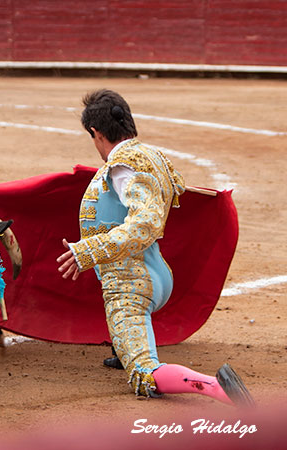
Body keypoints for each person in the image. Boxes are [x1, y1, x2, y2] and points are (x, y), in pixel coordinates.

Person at [56, 89, 254, 406]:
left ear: (96, 133)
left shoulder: (121, 167)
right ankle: (123, 348)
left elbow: (144, 223)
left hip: (131, 286)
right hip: (157, 273)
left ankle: (216, 386)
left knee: (144, 375)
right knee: (129, 331)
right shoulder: (153, 156)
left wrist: (88, 251)